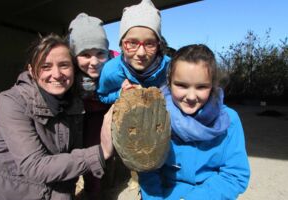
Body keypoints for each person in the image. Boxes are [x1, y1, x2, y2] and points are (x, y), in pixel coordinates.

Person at [0, 33, 113, 200]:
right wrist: (100, 153)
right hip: (12, 194)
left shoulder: (74, 103)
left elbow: (73, 155)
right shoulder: (13, 102)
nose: (56, 74)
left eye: (64, 65)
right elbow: (34, 166)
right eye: (46, 66)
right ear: (32, 70)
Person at [139, 44, 251, 199]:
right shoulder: (156, 115)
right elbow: (147, 169)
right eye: (182, 85)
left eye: (201, 87)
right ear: (169, 82)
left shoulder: (229, 120)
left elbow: (235, 175)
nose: (191, 97)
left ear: (212, 85)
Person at [68, 12, 117, 199]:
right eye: (85, 54)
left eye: (100, 53)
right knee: (79, 152)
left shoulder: (115, 66)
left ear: (107, 51)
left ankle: (96, 189)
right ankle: (88, 189)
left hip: (102, 114)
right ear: (74, 55)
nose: (94, 62)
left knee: (99, 150)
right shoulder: (68, 69)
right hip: (78, 115)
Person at [97, 0, 171, 104]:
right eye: (132, 43)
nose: (141, 53)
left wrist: (151, 94)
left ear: (158, 44)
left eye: (149, 44)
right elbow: (103, 96)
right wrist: (120, 93)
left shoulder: (170, 68)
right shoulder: (110, 71)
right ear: (121, 44)